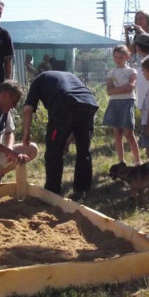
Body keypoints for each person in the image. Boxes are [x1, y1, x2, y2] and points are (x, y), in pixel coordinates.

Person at [21, 70, 99, 201]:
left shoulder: (38, 80)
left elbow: (28, 109)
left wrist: (26, 134)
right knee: (83, 150)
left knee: (53, 151)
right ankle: (82, 190)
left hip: (64, 104)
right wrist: (66, 141)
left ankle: (52, 191)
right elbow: (75, 121)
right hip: (88, 103)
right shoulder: (68, 76)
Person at [103, 45, 140, 165]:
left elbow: (131, 87)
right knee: (117, 133)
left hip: (127, 102)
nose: (118, 59)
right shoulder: (111, 73)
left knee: (129, 133)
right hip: (114, 103)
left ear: (127, 57)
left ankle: (137, 161)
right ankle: (121, 161)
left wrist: (116, 89)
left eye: (121, 57)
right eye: (116, 57)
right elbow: (109, 91)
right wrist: (123, 88)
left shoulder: (131, 71)